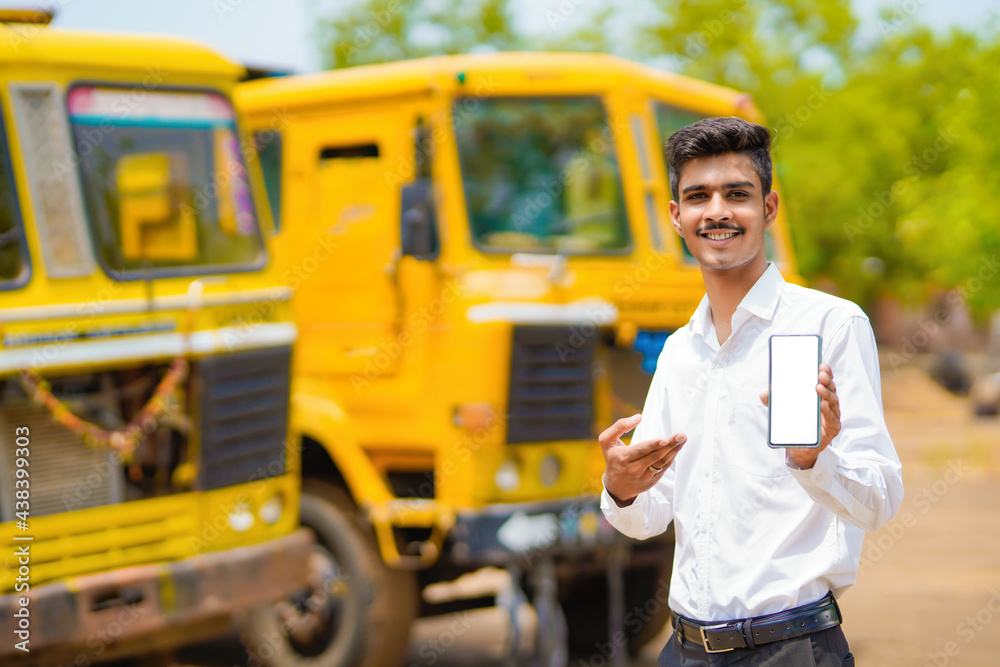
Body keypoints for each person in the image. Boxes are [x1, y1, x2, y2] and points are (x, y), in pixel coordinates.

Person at [599, 117, 903, 666]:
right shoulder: (678, 353)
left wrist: (814, 459)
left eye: (736, 194)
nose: (716, 210)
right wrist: (622, 488)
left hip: (790, 649)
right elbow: (648, 518)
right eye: (698, 196)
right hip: (684, 651)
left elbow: (880, 499)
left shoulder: (828, 325)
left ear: (768, 209)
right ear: (677, 217)